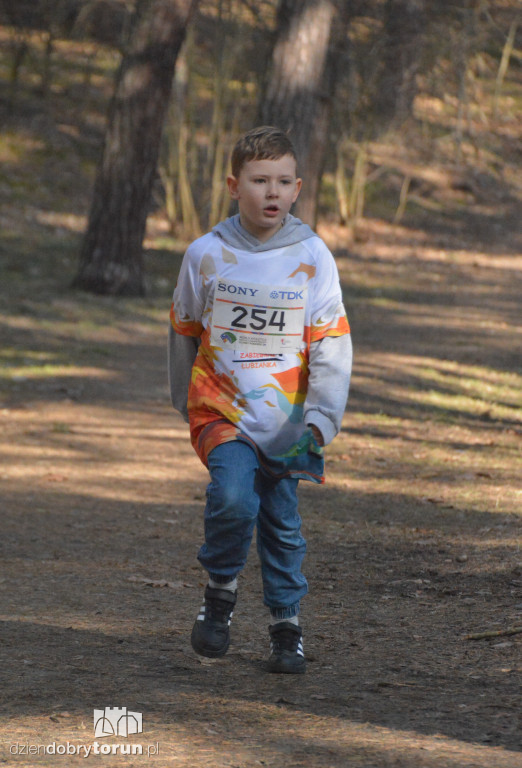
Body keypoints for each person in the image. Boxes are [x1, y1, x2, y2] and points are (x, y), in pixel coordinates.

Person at [168, 125, 352, 674]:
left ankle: (285, 626)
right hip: (221, 410)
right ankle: (220, 592)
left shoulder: (314, 257)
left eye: (282, 182)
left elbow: (332, 342)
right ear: (233, 185)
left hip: (289, 418)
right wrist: (186, 403)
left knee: (281, 521)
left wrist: (321, 417)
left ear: (297, 189)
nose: (271, 192)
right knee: (232, 497)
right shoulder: (205, 254)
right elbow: (184, 330)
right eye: (258, 180)